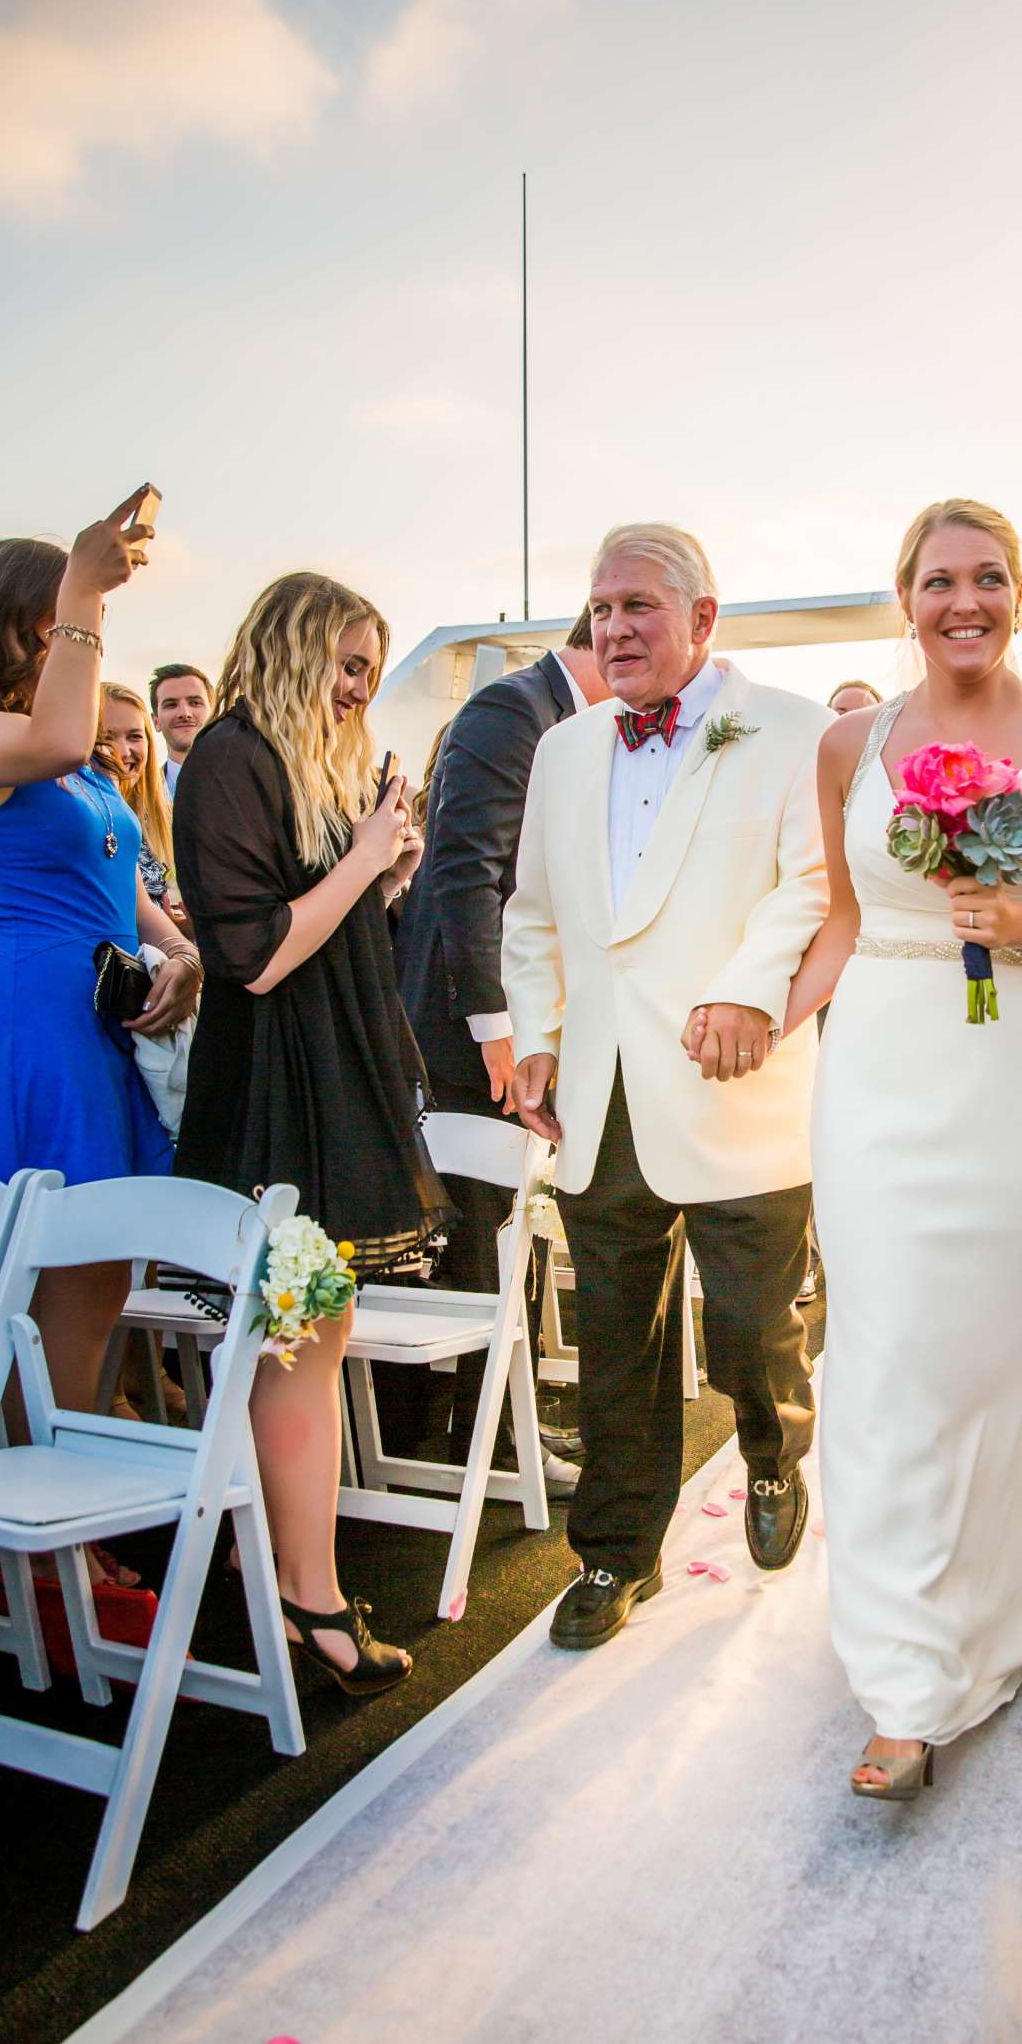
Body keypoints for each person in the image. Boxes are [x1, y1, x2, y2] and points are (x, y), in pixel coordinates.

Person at [782, 496, 1022, 1800]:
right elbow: (837, 917)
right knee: (886, 1349)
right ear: (905, 596)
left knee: (993, 1341)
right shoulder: (846, 746)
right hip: (882, 1059)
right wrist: (761, 1012)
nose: (965, 602)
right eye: (940, 580)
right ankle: (912, 1673)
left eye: (989, 577)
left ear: (1021, 592)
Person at [503, 523, 829, 1651]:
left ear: (704, 618)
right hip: (600, 1097)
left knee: (748, 1325)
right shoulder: (564, 750)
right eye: (600, 609)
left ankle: (775, 1450)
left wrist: (748, 991)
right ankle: (614, 1552)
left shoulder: (793, 731)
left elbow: (813, 887)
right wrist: (536, 1038)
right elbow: (534, 913)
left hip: (737, 1082)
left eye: (639, 605)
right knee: (617, 1346)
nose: (615, 628)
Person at [173, 571, 440, 1694]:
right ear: (289, 650)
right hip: (278, 1096)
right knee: (294, 1344)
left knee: (307, 1344)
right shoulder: (230, 759)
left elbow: (325, 928)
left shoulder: (299, 766)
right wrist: (363, 861)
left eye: (370, 674)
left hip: (331, 1079)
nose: (357, 691)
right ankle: (306, 1595)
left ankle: (296, 1585)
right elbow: (258, 954)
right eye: (344, 666)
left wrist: (387, 876)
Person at [0, 493, 200, 1437]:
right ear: (19, 621)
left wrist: (181, 953)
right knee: (48, 1262)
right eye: (61, 623)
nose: (79, 641)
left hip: (103, 1016)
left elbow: (129, 890)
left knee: (106, 1263)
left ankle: (56, 1486)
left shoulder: (74, 766)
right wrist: (84, 590)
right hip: (35, 1020)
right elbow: (63, 733)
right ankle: (23, 1522)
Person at [396, 607, 607, 1487]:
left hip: (530, 1020)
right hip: (469, 1031)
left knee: (505, 1229)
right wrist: (499, 1028)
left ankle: (486, 1430)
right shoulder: (512, 712)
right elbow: (466, 871)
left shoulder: (569, 719)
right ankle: (478, 1441)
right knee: (485, 1232)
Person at [102, 681, 187, 925]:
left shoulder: (165, 818)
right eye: (107, 738)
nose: (123, 751)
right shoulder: (75, 824)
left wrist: (187, 929)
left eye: (134, 737)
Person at [150, 662, 212, 799]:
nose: (184, 713)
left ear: (215, 715)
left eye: (195, 703)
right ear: (156, 721)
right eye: (171, 704)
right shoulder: (139, 796)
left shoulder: (243, 783)